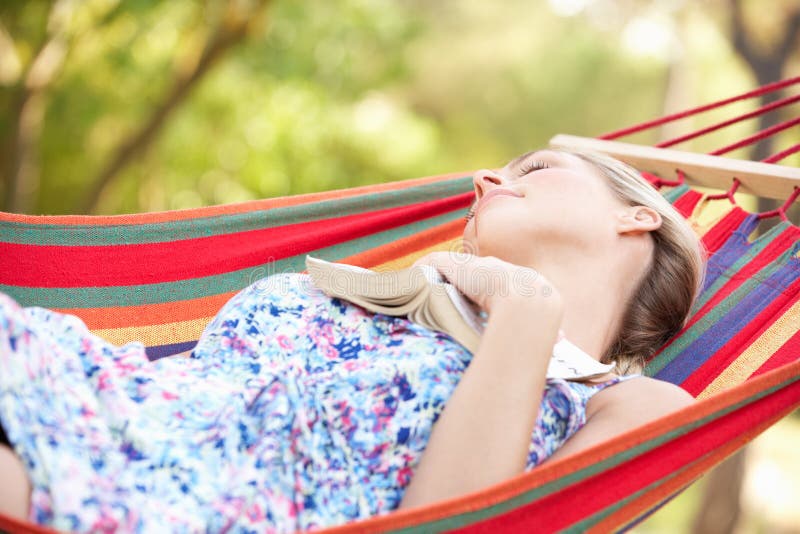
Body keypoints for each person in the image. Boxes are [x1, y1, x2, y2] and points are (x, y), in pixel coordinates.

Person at [0, 148, 705, 532]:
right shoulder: (395, 296)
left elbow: (459, 523)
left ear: (636, 216)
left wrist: (526, 307)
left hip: (171, 508)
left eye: (535, 169)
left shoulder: (622, 402)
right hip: (80, 404)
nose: (485, 178)